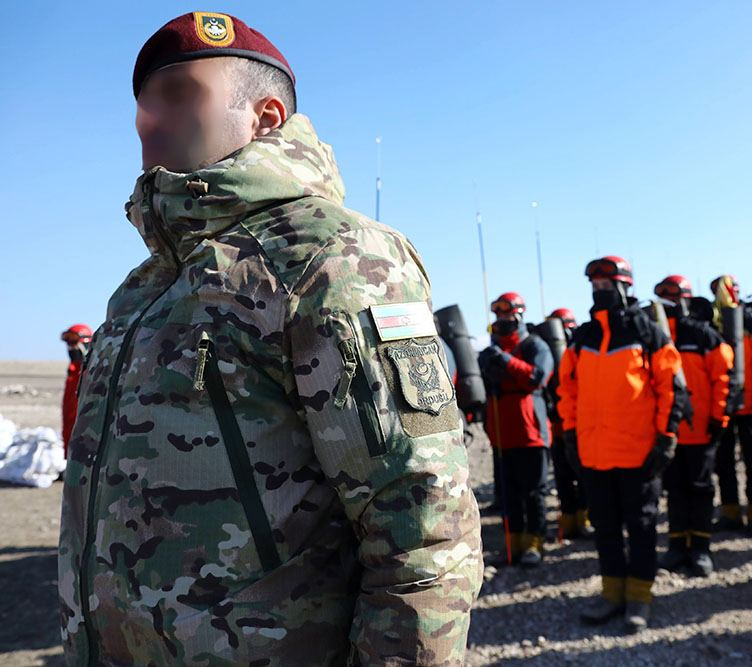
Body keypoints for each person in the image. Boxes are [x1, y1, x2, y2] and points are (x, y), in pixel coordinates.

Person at [59, 13, 482, 665]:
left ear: (266, 117)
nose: (148, 120)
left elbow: (423, 525)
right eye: (143, 103)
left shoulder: (332, 257)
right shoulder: (143, 288)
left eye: (178, 94)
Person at [559, 256, 686, 631]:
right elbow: (567, 390)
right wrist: (570, 435)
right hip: (594, 454)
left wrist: (666, 437)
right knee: (605, 527)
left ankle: (640, 597)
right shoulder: (582, 337)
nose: (600, 290)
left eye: (606, 284)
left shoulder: (647, 332)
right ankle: (612, 593)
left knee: (642, 527)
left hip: (639, 454)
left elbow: (671, 388)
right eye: (595, 285)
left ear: (625, 287)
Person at [654, 274, 733, 577]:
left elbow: (723, 378)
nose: (670, 303)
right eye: (665, 297)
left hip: (701, 429)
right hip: (669, 431)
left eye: (675, 297)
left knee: (700, 488)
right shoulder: (656, 336)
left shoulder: (704, 336)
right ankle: (677, 546)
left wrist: (718, 418)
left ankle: (700, 548)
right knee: (674, 490)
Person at [479, 292, 554, 567]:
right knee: (508, 496)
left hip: (531, 433)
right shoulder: (491, 350)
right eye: (498, 314)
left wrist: (507, 361)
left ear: (520, 315)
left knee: (534, 493)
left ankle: (535, 543)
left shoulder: (535, 345)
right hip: (502, 434)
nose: (502, 319)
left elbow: (537, 378)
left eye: (507, 313)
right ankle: (513, 544)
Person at [708, 275, 752, 537]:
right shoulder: (713, 323)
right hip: (724, 406)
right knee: (724, 463)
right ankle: (730, 513)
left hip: (751, 406)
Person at [545, 308, 594, 540]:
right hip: (559, 428)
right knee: (563, 477)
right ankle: (569, 521)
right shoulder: (549, 353)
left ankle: (584, 518)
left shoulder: (582, 351)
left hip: (578, 427)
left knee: (583, 476)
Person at [60, 324, 93, 458]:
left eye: (74, 342)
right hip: (70, 442)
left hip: (86, 445)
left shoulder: (92, 372)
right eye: (68, 343)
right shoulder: (72, 372)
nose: (71, 347)